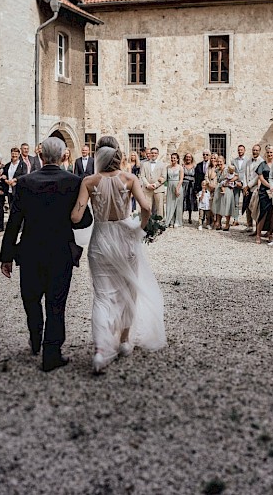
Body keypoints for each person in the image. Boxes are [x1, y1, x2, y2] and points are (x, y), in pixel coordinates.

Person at [72, 139, 167, 373]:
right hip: (125, 237)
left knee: (103, 295)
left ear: (98, 160)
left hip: (101, 239)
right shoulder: (130, 179)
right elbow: (146, 207)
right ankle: (124, 341)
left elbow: (75, 217)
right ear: (117, 158)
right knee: (128, 290)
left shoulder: (88, 182)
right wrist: (140, 228)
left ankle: (101, 350)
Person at [0, 138, 89, 372]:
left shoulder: (26, 182)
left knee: (31, 298)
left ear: (41, 157)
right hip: (60, 250)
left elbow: (14, 222)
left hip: (30, 249)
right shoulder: (73, 182)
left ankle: (35, 334)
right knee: (56, 302)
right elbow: (84, 220)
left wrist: (6, 255)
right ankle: (52, 352)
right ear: (62, 157)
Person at [254, 147, 273, 243]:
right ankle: (258, 234)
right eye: (268, 152)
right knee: (263, 212)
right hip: (264, 191)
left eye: (271, 152)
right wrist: (269, 186)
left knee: (272, 213)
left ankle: (270, 233)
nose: (269, 154)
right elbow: (261, 178)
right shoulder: (262, 164)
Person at [139, 146, 167, 219]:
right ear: (150, 154)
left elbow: (164, 177)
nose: (153, 154)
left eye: (155, 153)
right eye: (152, 153)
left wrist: (155, 184)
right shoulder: (145, 164)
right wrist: (147, 185)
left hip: (159, 189)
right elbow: (142, 176)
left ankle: (160, 224)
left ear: (158, 154)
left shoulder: (162, 164)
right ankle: (148, 224)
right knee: (147, 207)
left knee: (159, 207)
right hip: (147, 189)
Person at [244, 144, 263, 231]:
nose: (254, 152)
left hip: (255, 187)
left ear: (259, 151)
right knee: (247, 206)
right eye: (253, 150)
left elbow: (258, 176)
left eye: (256, 150)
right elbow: (245, 174)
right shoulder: (248, 161)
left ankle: (257, 228)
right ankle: (249, 225)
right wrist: (245, 186)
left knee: (254, 207)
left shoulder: (261, 162)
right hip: (247, 187)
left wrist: (249, 185)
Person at [2, 146, 26, 214]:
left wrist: (15, 180)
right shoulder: (7, 165)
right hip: (9, 190)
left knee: (18, 208)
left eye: (16, 154)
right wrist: (6, 180)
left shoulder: (23, 165)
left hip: (18, 189)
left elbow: (24, 175)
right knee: (11, 207)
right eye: (13, 154)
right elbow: (4, 175)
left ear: (19, 155)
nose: (14, 155)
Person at [165, 152, 184, 227]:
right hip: (170, 185)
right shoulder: (168, 167)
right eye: (172, 158)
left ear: (177, 159)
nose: (173, 159)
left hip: (177, 185)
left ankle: (177, 221)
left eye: (174, 158)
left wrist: (177, 188)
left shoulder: (180, 167)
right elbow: (165, 178)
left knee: (178, 204)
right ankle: (171, 220)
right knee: (170, 203)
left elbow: (181, 179)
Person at [231, 145, 248, 226]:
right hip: (236, 183)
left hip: (245, 184)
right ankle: (236, 219)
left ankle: (249, 222)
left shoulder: (248, 160)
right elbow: (232, 172)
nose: (240, 151)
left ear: (244, 150)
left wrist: (244, 183)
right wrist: (235, 182)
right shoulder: (233, 161)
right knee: (235, 202)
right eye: (239, 150)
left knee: (247, 202)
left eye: (241, 150)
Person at [181, 152, 197, 224]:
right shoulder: (182, 166)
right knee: (183, 200)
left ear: (191, 158)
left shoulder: (194, 167)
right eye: (187, 157)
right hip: (184, 184)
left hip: (191, 185)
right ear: (185, 158)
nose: (188, 158)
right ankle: (181, 217)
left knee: (190, 200)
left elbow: (196, 177)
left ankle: (190, 217)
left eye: (189, 157)